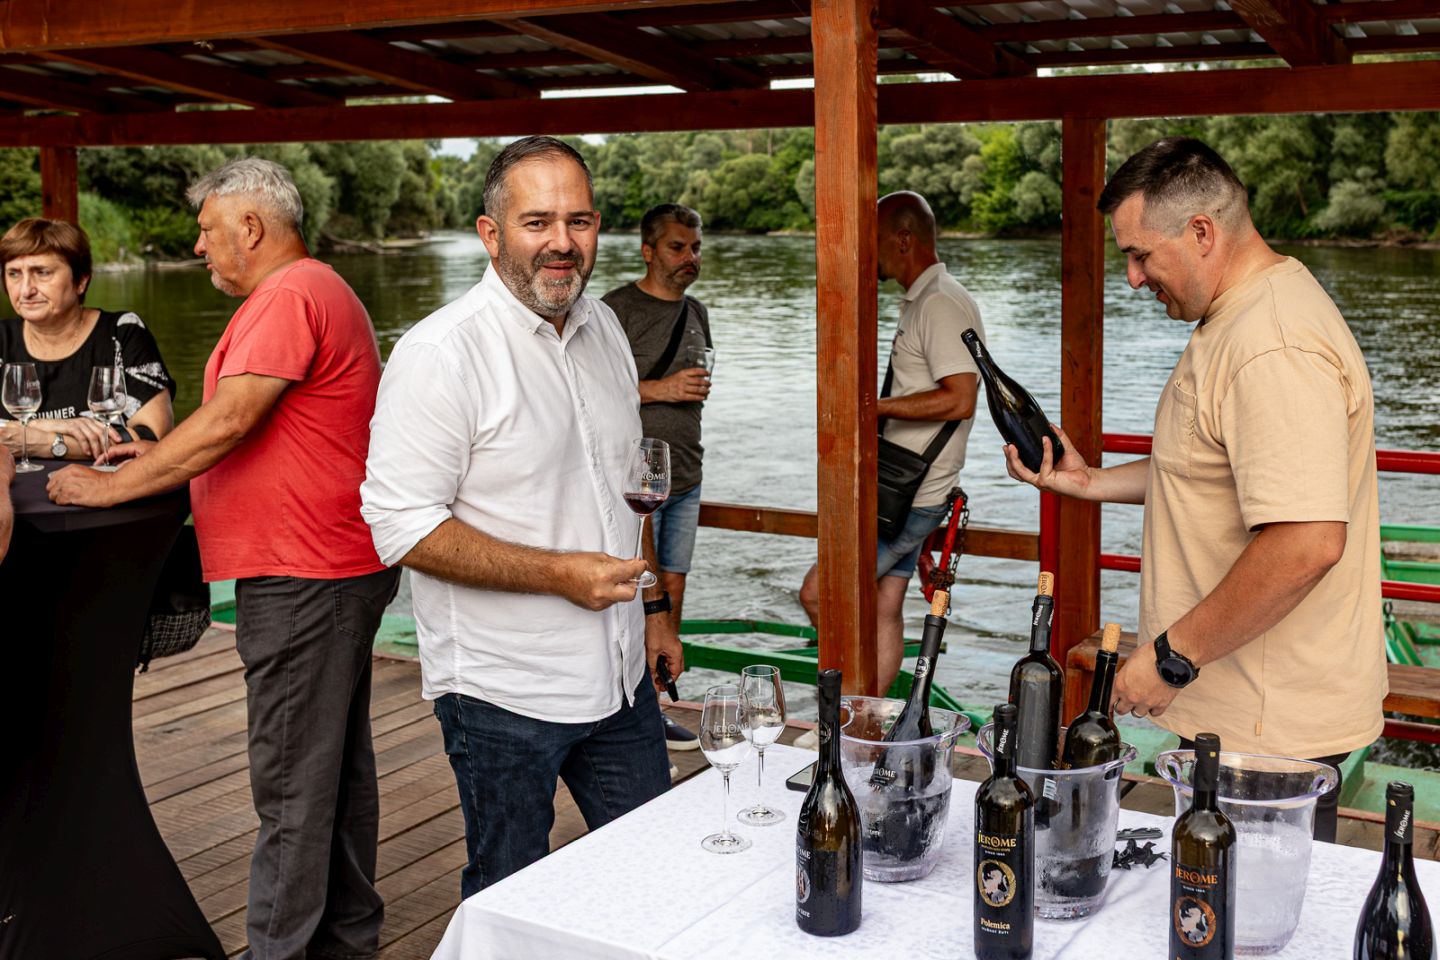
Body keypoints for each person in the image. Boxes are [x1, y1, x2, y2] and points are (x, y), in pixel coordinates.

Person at [49, 157, 400, 959]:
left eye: (208, 230)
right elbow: (236, 427)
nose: (200, 247)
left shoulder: (288, 293)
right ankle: (347, 943)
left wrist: (112, 488)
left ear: (251, 226)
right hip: (334, 566)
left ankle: (281, 952)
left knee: (289, 786)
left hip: (306, 574)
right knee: (332, 776)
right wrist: (141, 465)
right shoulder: (313, 289)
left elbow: (228, 420)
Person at [1005, 137, 1383, 842]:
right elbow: (1212, 471)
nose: (1133, 279)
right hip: (1243, 713)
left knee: (1244, 930)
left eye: (1142, 255)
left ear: (1202, 232)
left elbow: (1306, 541)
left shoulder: (1272, 344)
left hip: (1270, 729)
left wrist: (1174, 657)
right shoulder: (1240, 316)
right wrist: (1088, 482)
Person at [360, 136, 683, 898]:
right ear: (491, 232)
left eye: (579, 221)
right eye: (537, 222)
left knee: (658, 875)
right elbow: (399, 525)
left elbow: (626, 484)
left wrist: (657, 609)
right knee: (511, 891)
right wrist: (556, 575)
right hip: (505, 692)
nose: (561, 244)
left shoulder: (604, 326)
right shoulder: (441, 353)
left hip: (621, 678)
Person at [799, 191, 983, 695]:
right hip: (909, 490)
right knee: (883, 604)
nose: (865, 251)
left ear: (903, 239)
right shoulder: (929, 298)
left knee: (819, 595)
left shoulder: (940, 303)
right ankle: (869, 720)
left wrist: (870, 408)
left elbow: (959, 398)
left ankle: (844, 716)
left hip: (911, 495)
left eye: (873, 239)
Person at [601, 203, 711, 754]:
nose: (690, 257)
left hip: (686, 474)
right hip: (634, 481)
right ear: (648, 251)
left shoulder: (698, 311)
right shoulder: (613, 311)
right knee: (636, 588)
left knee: (674, 589)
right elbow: (590, 394)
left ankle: (660, 702)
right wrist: (663, 389)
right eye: (677, 247)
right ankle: (632, 712)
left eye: (695, 247)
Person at [1, 218, 174, 461]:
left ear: (81, 281)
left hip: (105, 490)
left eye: (42, 273)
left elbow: (153, 437)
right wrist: (52, 425)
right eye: (14, 274)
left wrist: (47, 443)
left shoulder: (122, 334)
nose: (26, 289)